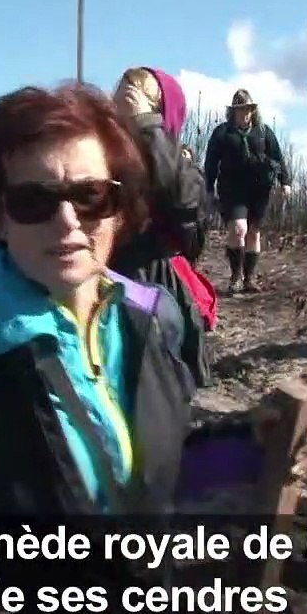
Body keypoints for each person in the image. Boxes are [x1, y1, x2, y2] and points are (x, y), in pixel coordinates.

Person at [0, 82, 307, 614]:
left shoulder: (149, 318)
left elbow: (162, 466)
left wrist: (260, 442)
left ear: (119, 208)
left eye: (90, 195)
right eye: (34, 201)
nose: (67, 222)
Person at [109, 66, 215, 387]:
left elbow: (187, 214)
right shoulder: (104, 154)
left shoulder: (178, 162)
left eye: (136, 99)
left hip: (152, 284)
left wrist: (146, 127)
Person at [203, 89, 290, 294]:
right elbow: (211, 162)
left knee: (253, 232)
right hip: (232, 189)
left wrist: (285, 181)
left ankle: (249, 279)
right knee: (238, 229)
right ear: (232, 112)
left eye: (248, 110)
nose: (245, 114)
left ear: (253, 111)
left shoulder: (263, 131)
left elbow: (277, 156)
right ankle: (235, 276)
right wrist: (208, 187)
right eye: (240, 110)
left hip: (259, 189)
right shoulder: (222, 133)